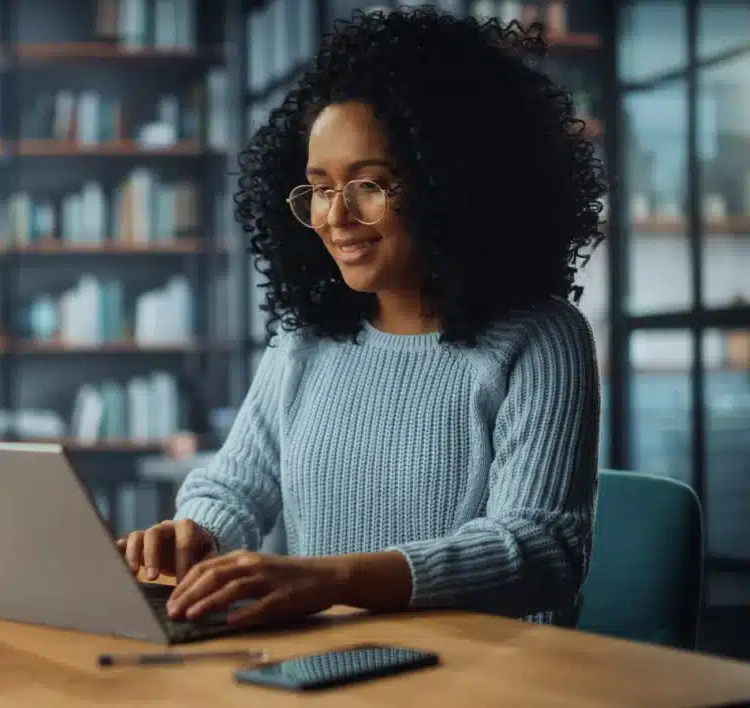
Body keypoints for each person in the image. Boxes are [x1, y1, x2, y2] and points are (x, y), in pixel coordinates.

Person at [118, 6, 606, 630]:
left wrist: (329, 580)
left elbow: (540, 549)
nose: (335, 216)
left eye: (369, 184)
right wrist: (196, 537)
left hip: (485, 679)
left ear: (451, 184)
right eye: (319, 187)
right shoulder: (304, 342)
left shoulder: (540, 338)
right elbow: (234, 487)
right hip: (325, 667)